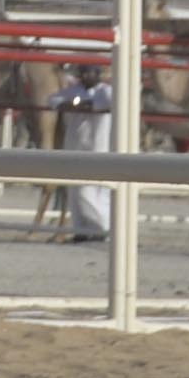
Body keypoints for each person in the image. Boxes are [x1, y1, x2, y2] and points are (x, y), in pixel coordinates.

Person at [60, 67, 116, 248]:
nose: (85, 75)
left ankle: (101, 229)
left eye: (89, 72)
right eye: (83, 72)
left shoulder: (106, 91)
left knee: (91, 192)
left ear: (98, 74)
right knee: (75, 193)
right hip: (75, 148)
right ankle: (81, 231)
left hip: (98, 149)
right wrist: (70, 104)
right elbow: (54, 100)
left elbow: (113, 102)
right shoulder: (75, 90)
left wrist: (87, 105)